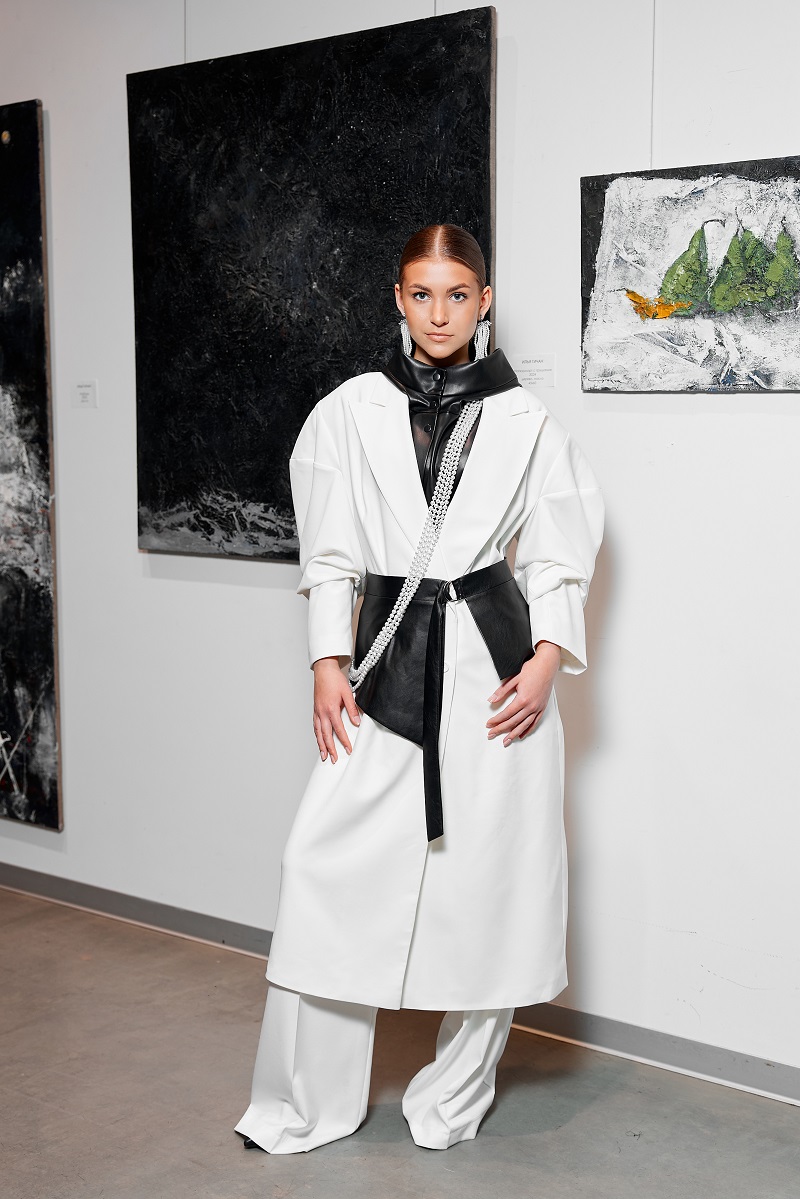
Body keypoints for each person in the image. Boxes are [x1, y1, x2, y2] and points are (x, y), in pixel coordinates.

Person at [235, 224, 604, 1154]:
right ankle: (310, 1101)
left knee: (495, 882)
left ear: (484, 301)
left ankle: (452, 1097)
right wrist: (326, 661)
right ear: (398, 300)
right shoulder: (347, 412)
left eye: (458, 294)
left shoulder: (525, 420)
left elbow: (558, 549)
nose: (440, 313)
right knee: (320, 868)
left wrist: (548, 658)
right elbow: (330, 553)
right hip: (387, 658)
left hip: (496, 667)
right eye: (421, 293)